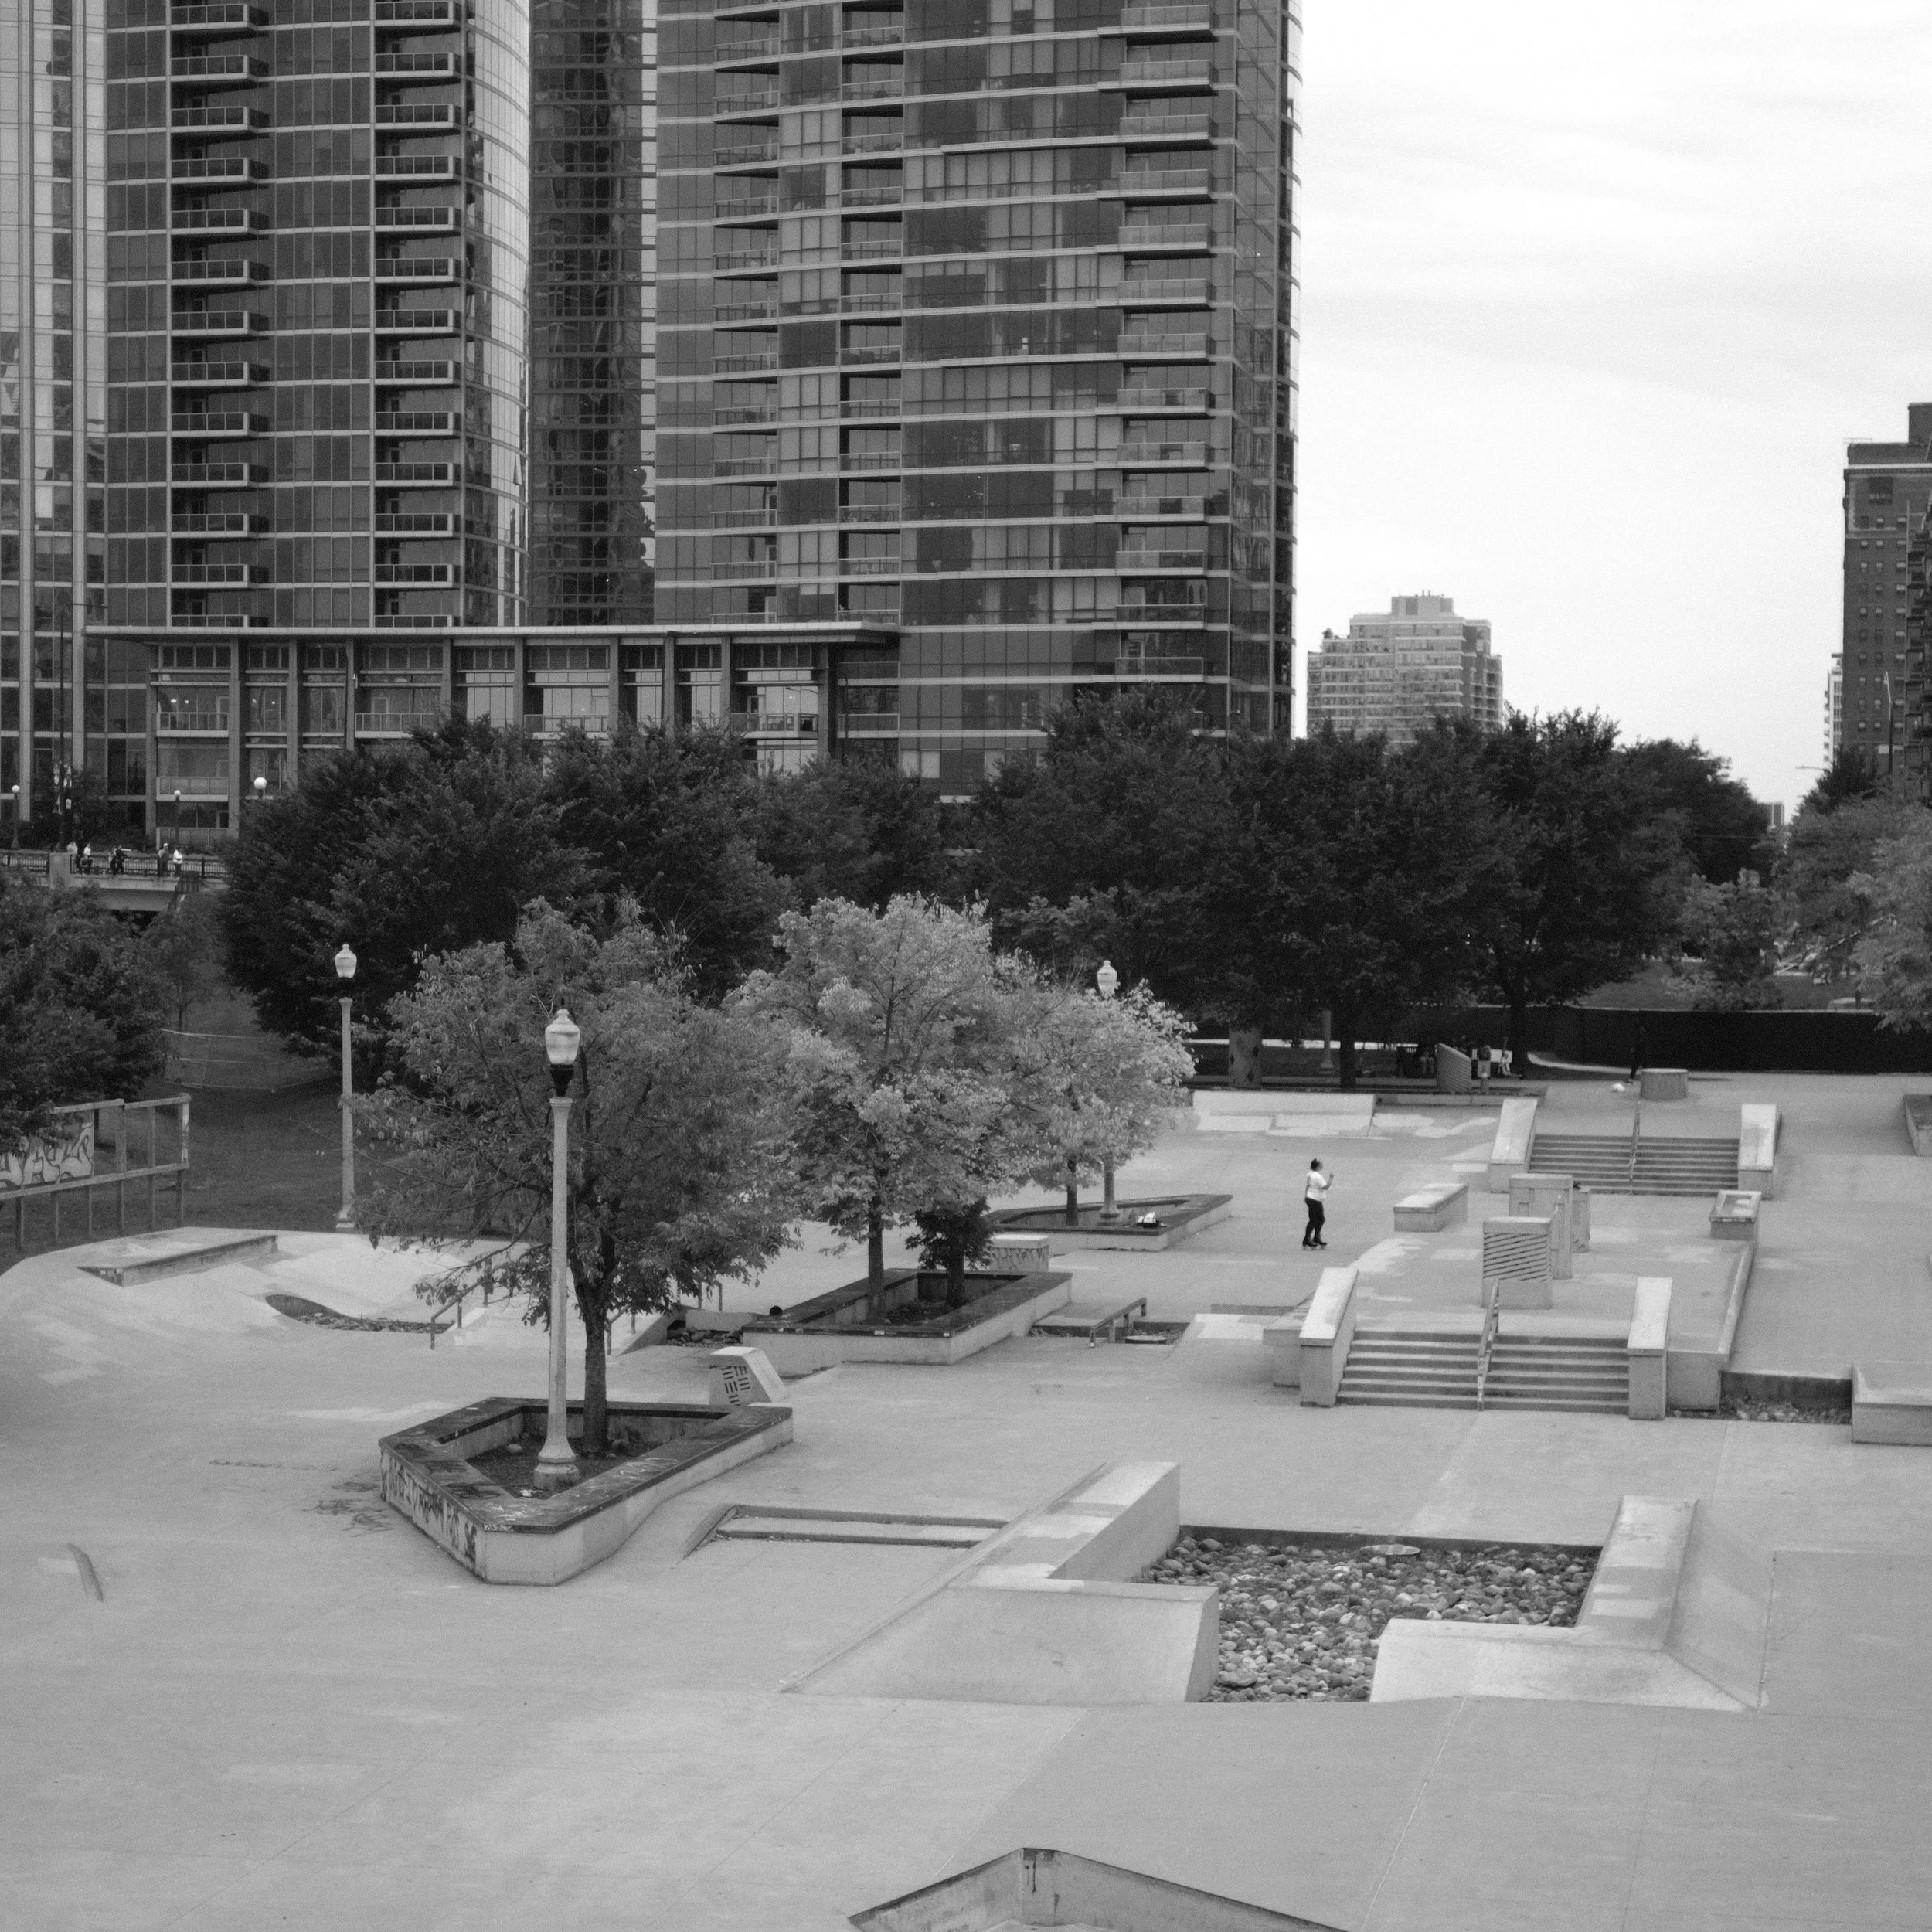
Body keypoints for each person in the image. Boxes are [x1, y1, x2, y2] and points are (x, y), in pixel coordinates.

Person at [1302, 1158, 1331, 1250]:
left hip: (1313, 1199)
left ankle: (1316, 1237)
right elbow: (1326, 1187)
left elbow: (1308, 1186)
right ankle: (1307, 1239)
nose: (1322, 1165)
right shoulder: (1317, 1176)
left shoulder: (1310, 1174)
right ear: (1318, 1167)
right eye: (1320, 1164)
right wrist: (1331, 1178)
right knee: (1314, 1220)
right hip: (1314, 1199)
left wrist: (1306, 1195)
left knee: (1320, 1219)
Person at [1629, 1017, 1648, 1082]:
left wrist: (1634, 1047)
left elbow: (1641, 1041)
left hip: (1641, 1051)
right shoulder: (1639, 1030)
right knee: (1636, 1065)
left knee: (1639, 1065)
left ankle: (1646, 1080)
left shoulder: (1641, 1030)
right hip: (1640, 1050)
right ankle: (1631, 1079)